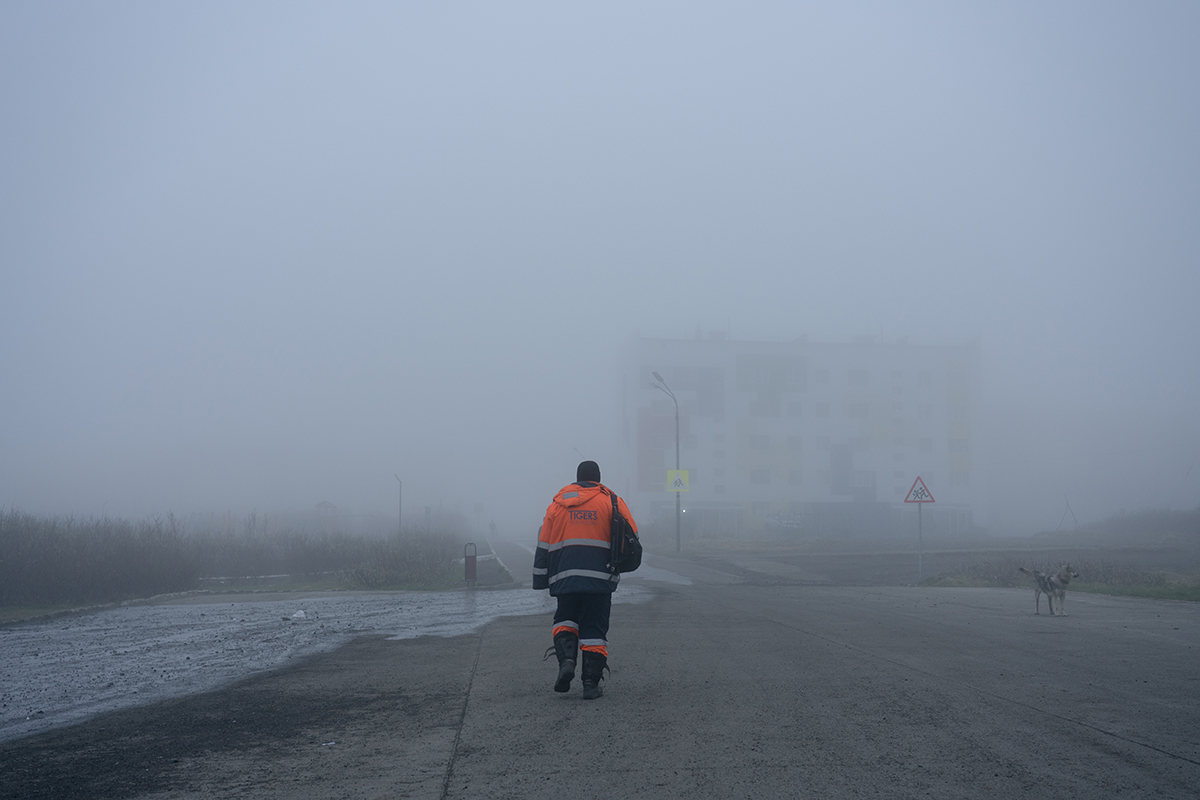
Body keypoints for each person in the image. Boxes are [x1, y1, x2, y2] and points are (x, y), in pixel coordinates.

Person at [532, 460, 638, 699]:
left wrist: (540, 578)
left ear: (577, 478)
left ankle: (567, 661)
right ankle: (590, 683)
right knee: (594, 629)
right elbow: (633, 536)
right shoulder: (612, 501)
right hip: (600, 577)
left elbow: (543, 543)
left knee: (565, 619)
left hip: (564, 576)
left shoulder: (557, 504)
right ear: (598, 479)